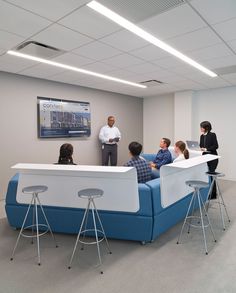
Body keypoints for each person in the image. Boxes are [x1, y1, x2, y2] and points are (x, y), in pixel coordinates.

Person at [200, 121, 219, 199]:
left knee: (211, 175)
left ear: (206, 128)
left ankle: (213, 194)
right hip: (204, 157)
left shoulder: (212, 135)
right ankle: (206, 193)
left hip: (212, 158)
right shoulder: (201, 136)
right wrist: (200, 149)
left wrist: (206, 149)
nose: (200, 128)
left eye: (202, 127)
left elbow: (216, 146)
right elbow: (201, 145)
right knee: (205, 175)